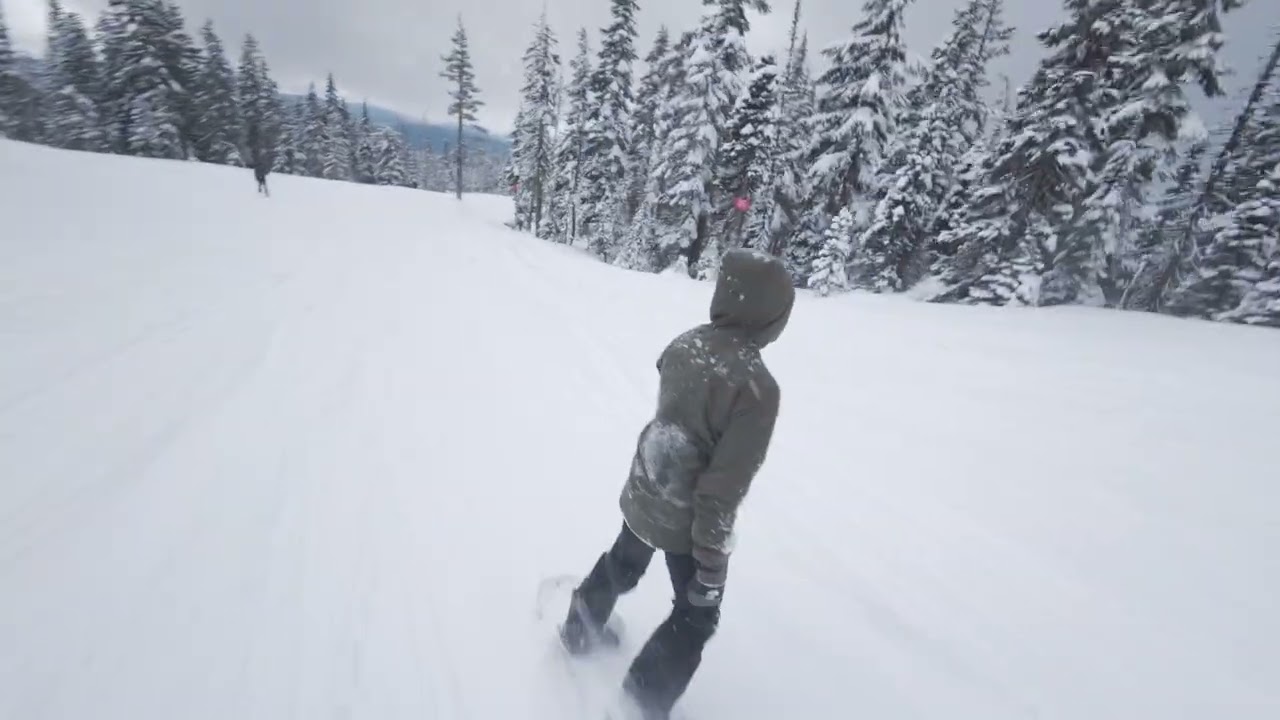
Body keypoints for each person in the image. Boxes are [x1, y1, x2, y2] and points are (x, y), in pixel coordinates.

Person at [560, 248, 795, 719]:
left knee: (623, 562)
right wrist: (710, 564)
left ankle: (579, 630)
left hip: (647, 487)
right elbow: (722, 488)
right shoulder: (756, 388)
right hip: (688, 519)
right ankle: (641, 703)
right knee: (697, 615)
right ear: (771, 316)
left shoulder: (686, 342)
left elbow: (669, 382)